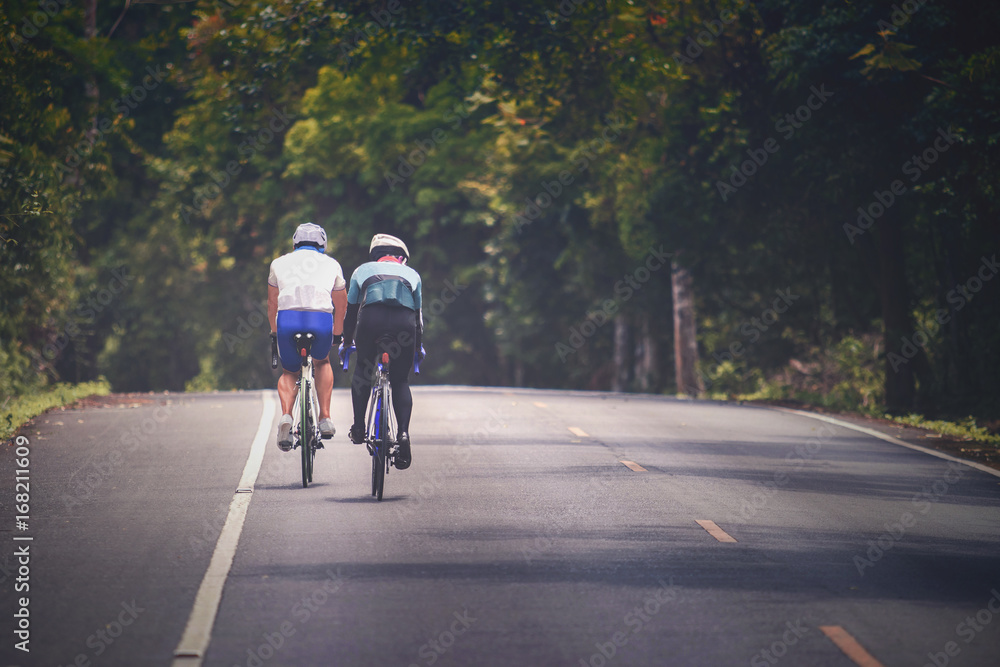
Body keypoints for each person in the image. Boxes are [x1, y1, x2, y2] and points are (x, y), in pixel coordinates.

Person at [340, 233, 423, 470]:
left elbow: (351, 312)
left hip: (370, 321)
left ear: (376, 256)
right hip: (403, 325)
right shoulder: (413, 275)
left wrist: (347, 342)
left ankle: (358, 428)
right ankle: (404, 434)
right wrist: (417, 348)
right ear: (401, 258)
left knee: (364, 370)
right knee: (399, 380)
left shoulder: (361, 270)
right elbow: (418, 320)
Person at [268, 223, 348, 451]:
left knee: (289, 371)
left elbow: (272, 303)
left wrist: (275, 332)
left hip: (287, 319)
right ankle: (324, 418)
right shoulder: (332, 264)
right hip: (320, 320)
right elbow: (341, 304)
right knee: (322, 361)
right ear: (322, 244)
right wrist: (338, 334)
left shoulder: (278, 263)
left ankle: (286, 417)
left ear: (295, 243)